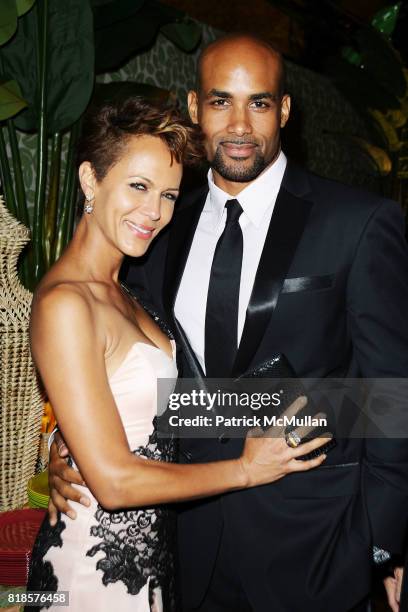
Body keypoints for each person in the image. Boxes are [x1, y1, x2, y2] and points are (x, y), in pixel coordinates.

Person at [47, 34, 408, 612]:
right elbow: (124, 367)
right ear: (196, 108)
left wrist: (380, 548)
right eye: (221, 102)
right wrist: (66, 441)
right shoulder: (157, 228)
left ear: (284, 111)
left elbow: (389, 398)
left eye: (259, 103)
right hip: (183, 549)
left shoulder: (359, 223)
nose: (239, 125)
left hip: (316, 551)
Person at [25, 96, 329, 612]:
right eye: (138, 187)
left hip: (153, 567)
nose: (154, 212)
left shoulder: (130, 286)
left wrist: (64, 441)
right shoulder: (65, 303)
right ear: (90, 180)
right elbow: (116, 483)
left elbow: (151, 404)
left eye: (167, 194)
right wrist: (246, 469)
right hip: (90, 574)